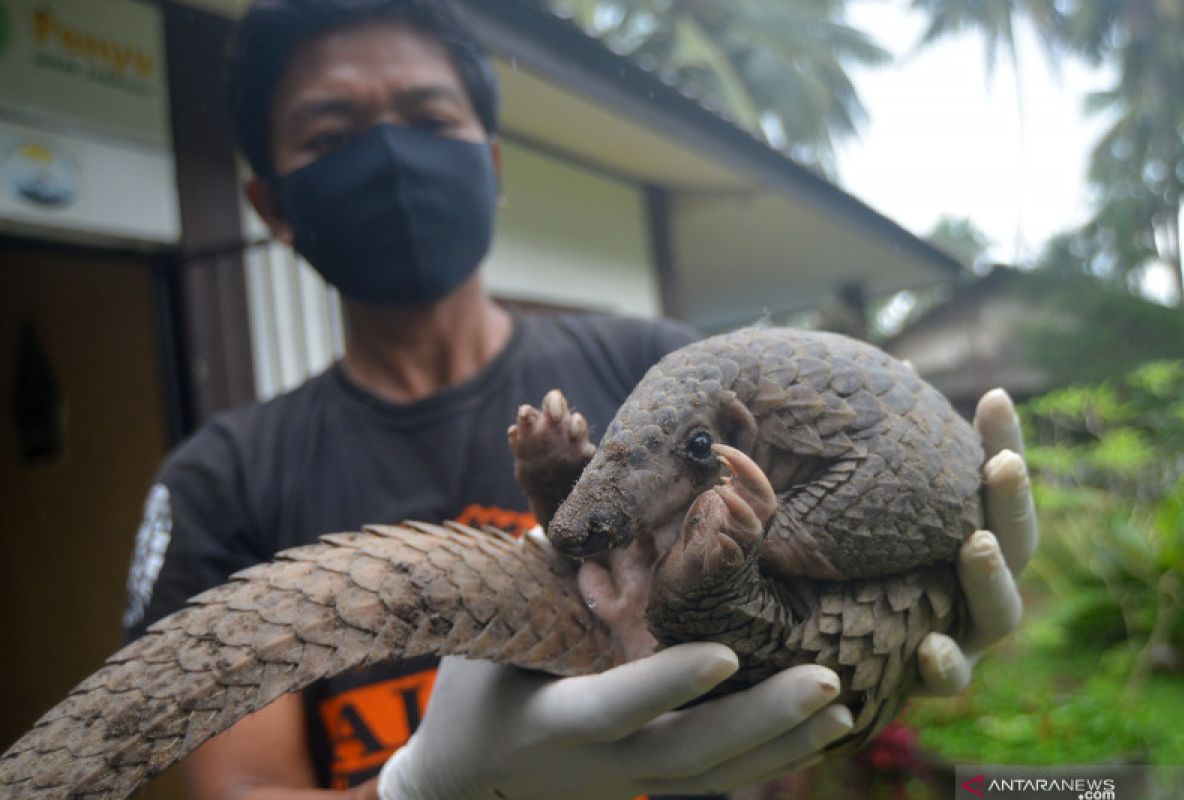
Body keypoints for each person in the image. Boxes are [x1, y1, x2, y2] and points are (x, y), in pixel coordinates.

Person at [121, 1, 1037, 798]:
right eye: (332, 135)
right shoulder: (221, 483)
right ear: (270, 204)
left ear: (490, 164)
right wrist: (425, 792)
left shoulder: (658, 363)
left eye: (424, 116)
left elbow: (791, 580)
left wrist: (924, 580)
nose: (390, 158)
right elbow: (236, 787)